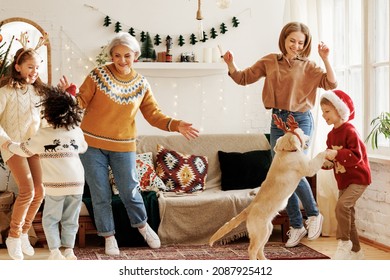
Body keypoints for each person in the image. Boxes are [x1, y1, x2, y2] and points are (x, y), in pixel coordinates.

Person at [59, 32, 199, 255]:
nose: (122, 60)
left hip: (123, 146)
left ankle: (143, 226)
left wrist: (176, 124)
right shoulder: (97, 75)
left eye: (127, 55)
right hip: (92, 145)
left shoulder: (141, 84)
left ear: (135, 55)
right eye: (117, 55)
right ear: (111, 55)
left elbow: (153, 115)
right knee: (100, 193)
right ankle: (108, 236)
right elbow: (80, 103)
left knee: (130, 190)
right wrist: (68, 94)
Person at [222, 21, 337, 247]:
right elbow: (242, 78)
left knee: (293, 170)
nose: (296, 45)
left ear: (306, 45)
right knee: (281, 176)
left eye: (301, 43)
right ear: (284, 39)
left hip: (300, 121)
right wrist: (231, 63)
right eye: (292, 40)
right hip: (277, 121)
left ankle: (313, 214)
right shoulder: (269, 61)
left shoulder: (310, 66)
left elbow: (331, 83)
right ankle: (296, 224)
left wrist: (325, 58)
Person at [2, 86, 88, 260]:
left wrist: (8, 145)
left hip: (56, 186)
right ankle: (69, 251)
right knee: (71, 219)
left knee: (50, 219)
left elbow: (24, 150)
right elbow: (84, 148)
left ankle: (55, 251)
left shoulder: (44, 134)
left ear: (48, 114)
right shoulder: (76, 131)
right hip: (77, 185)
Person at [0, 33, 49, 260]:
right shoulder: (5, 92)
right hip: (11, 146)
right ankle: (13, 234)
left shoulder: (39, 92)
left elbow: (47, 120)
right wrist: (7, 142)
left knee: (40, 191)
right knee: (27, 190)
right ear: (18, 67)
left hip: (33, 147)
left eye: (37, 67)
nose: (35, 71)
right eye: (30, 66)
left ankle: (22, 233)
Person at [320, 89, 371, 260]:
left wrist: (335, 155)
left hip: (358, 179)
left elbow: (356, 156)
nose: (324, 115)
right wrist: (325, 162)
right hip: (344, 180)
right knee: (349, 216)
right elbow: (334, 161)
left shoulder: (350, 131)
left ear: (339, 110)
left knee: (341, 206)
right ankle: (357, 252)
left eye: (327, 111)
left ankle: (344, 243)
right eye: (322, 112)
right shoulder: (330, 135)